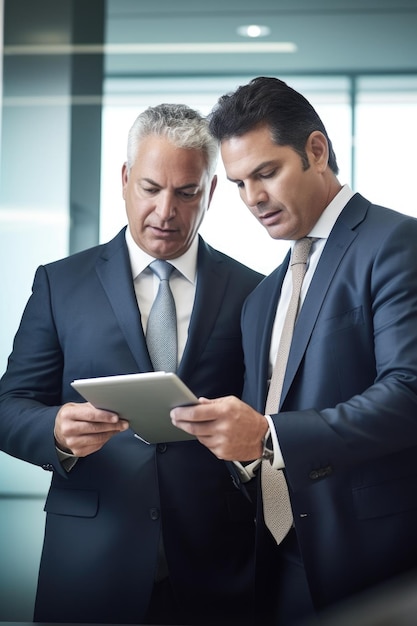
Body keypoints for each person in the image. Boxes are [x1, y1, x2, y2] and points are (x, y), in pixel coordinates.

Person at [0, 103, 264, 625]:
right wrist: (54, 428)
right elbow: (8, 406)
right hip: (89, 563)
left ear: (210, 192)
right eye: (150, 188)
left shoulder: (254, 292)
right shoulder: (60, 283)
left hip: (217, 568)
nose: (166, 211)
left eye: (186, 192)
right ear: (124, 180)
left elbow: (266, 419)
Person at [170, 77, 417, 625]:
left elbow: (410, 392)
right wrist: (236, 443)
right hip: (275, 561)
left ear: (316, 150)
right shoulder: (263, 297)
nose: (253, 199)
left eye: (266, 173)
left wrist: (268, 436)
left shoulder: (396, 245)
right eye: (237, 183)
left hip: (373, 562)